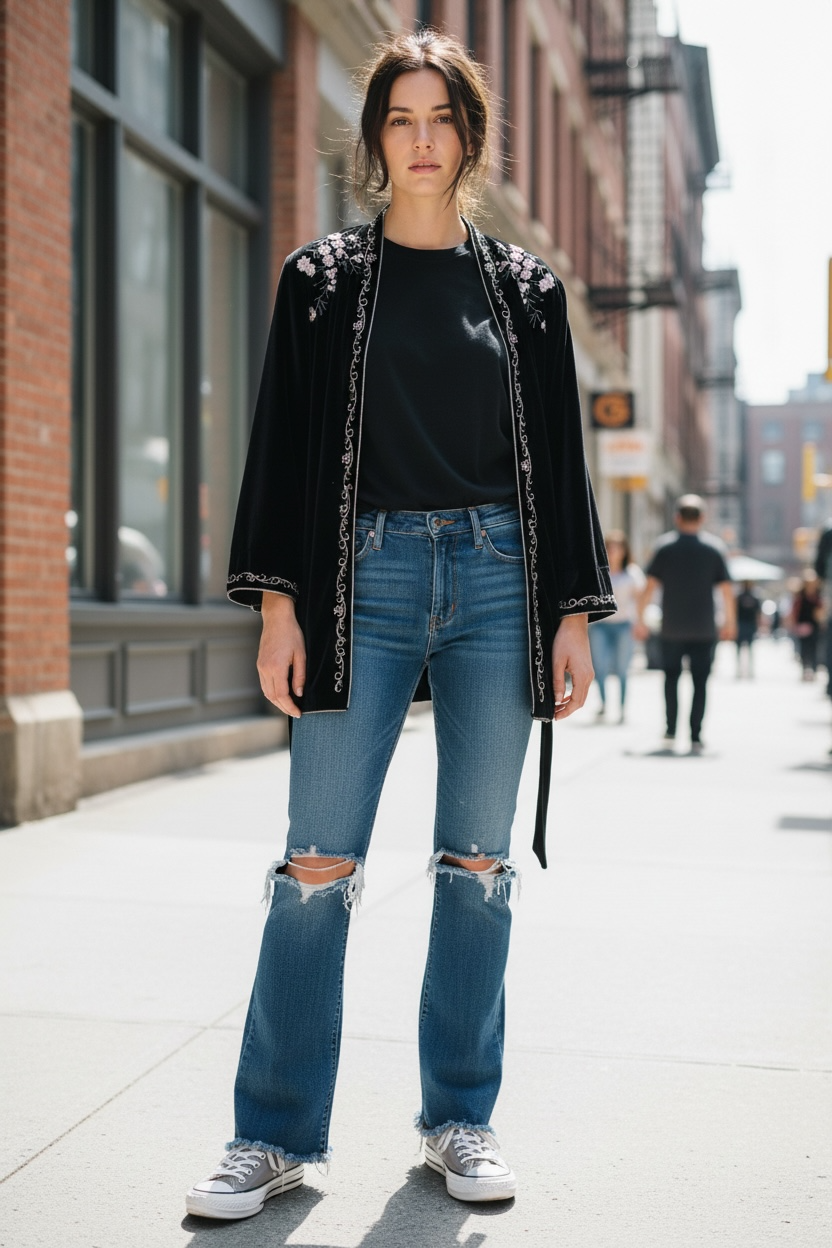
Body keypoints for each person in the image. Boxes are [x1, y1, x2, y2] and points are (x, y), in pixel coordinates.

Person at [185, 29, 614, 1220]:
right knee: (316, 867)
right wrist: (279, 603)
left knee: (477, 869)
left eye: (440, 119)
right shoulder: (322, 281)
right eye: (399, 119)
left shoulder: (525, 291)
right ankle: (269, 1137)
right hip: (355, 583)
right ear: (375, 138)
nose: (420, 141)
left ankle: (458, 1119)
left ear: (469, 137)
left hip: (494, 580)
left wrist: (569, 614)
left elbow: (562, 466)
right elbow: (278, 447)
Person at [635, 495, 735, 753]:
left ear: (677, 517)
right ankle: (696, 736)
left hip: (672, 627)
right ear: (702, 518)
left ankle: (670, 730)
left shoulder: (664, 548)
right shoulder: (714, 549)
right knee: (701, 682)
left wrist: (640, 619)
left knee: (671, 679)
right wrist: (729, 623)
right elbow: (726, 591)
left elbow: (649, 588)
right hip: (704, 628)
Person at [589, 531, 644, 722]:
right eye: (610, 547)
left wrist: (639, 623)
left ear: (624, 550)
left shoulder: (633, 573)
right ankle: (603, 704)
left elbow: (639, 602)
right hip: (600, 626)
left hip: (623, 625)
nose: (614, 551)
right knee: (600, 667)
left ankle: (621, 709)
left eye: (618, 547)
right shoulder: (598, 570)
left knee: (621, 669)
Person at [789, 569, 824, 680]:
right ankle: (805, 670)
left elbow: (821, 612)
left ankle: (813, 671)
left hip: (814, 627)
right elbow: (795, 611)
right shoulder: (800, 597)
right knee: (803, 650)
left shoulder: (818, 597)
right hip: (802, 626)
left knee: (814, 649)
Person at [735, 580, 761, 678]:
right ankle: (744, 670)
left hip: (745, 625)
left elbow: (758, 613)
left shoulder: (740, 597)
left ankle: (744, 670)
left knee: (744, 649)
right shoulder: (752, 597)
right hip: (745, 625)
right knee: (746, 649)